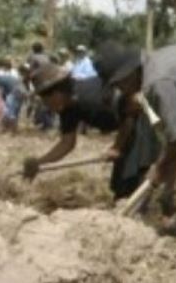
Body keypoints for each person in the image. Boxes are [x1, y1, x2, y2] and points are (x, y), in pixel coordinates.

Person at [99, 42, 176, 209]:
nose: (122, 91)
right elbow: (171, 138)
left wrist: (159, 167)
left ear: (129, 75)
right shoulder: (150, 71)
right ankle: (170, 202)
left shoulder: (157, 84)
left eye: (119, 85)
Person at [23, 61, 125, 191]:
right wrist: (39, 162)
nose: (46, 105)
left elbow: (131, 114)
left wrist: (118, 146)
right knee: (119, 186)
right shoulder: (67, 109)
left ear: (57, 94)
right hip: (128, 131)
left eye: (45, 100)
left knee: (128, 181)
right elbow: (67, 144)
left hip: (142, 122)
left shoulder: (91, 96)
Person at [0, 57, 24, 130]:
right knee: (14, 111)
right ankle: (12, 129)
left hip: (15, 92)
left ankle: (9, 129)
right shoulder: (2, 75)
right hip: (21, 90)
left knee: (9, 112)